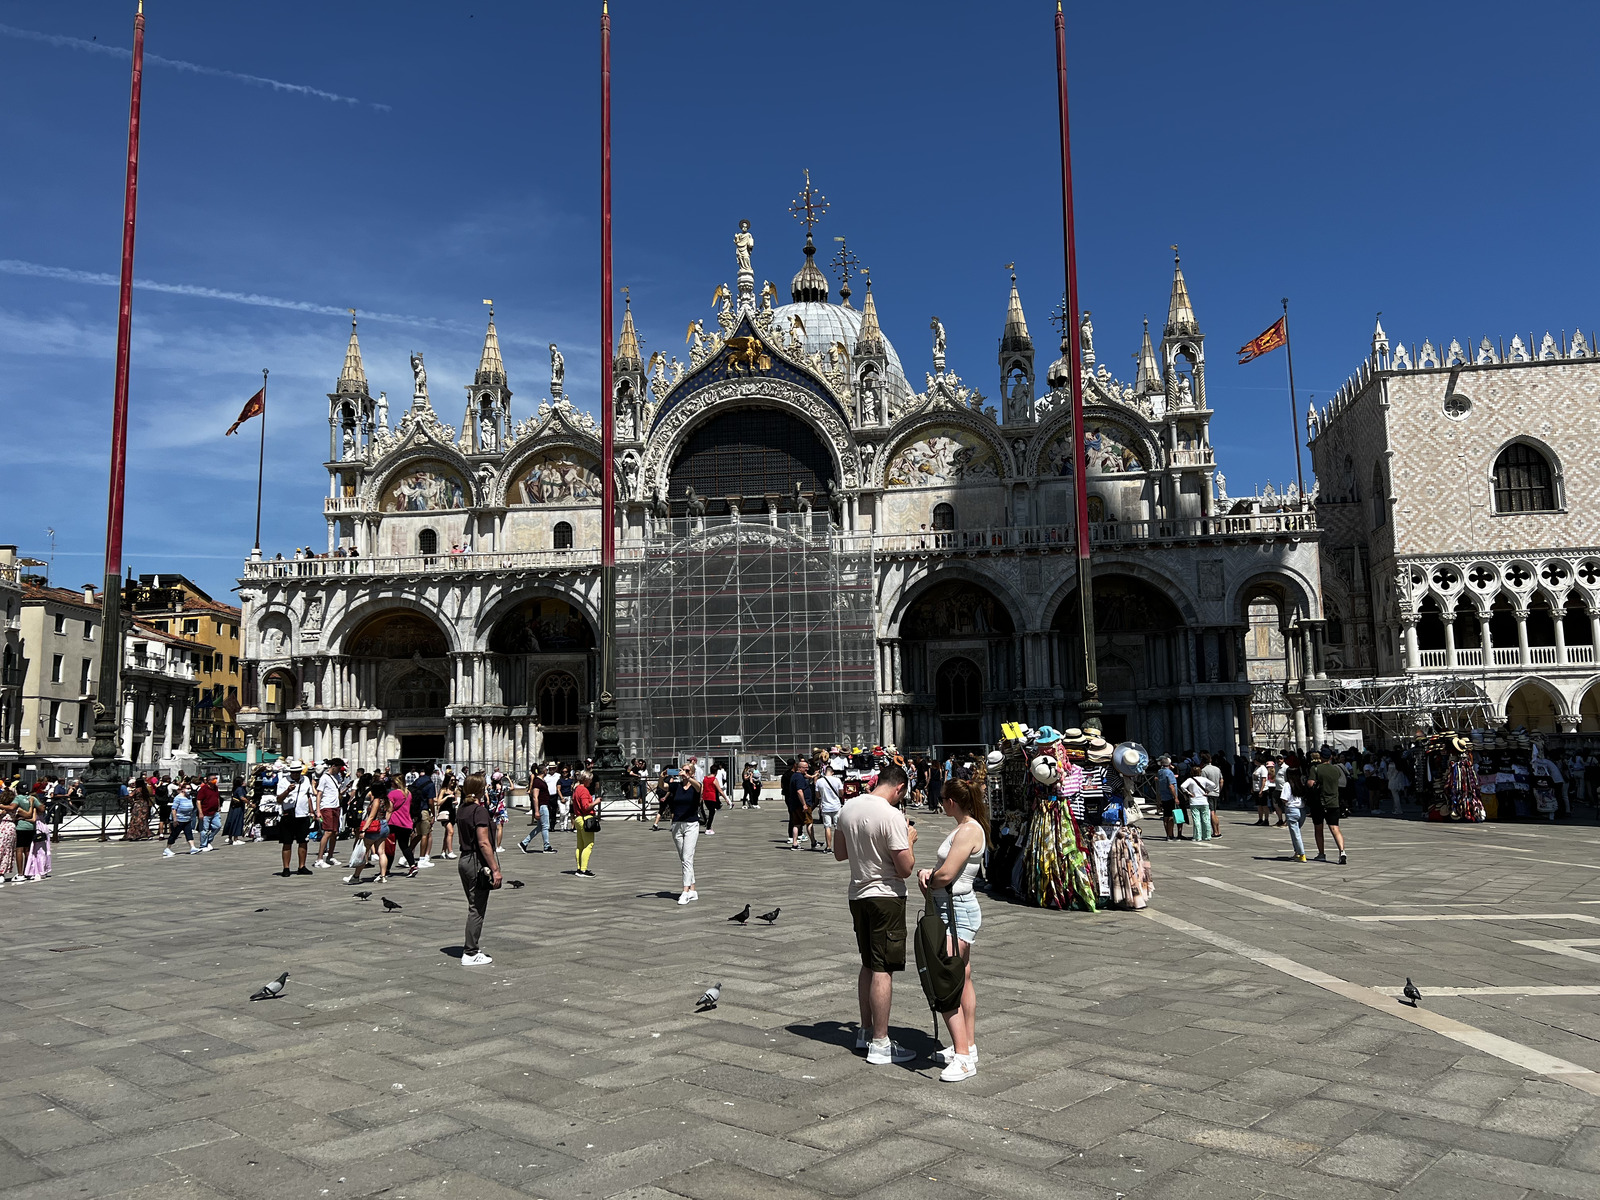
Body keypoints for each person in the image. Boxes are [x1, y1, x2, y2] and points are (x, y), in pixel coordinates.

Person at [836, 761, 917, 1066]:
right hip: (886, 896)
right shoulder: (892, 815)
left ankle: (865, 1031)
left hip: (857, 894)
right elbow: (905, 868)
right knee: (883, 967)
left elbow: (840, 853)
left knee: (868, 963)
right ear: (899, 788)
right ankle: (881, 1043)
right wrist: (908, 841)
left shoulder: (848, 808)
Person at [917, 777, 988, 1081]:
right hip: (953, 907)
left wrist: (925, 874)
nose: (940, 802)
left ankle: (963, 1057)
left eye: (943, 798)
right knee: (964, 976)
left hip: (957, 908)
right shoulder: (965, 827)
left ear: (951, 801)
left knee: (945, 979)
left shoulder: (970, 829)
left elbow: (946, 874)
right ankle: (967, 1046)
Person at [456, 773, 501, 966]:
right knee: (477, 909)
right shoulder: (479, 811)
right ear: (480, 790)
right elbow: (483, 842)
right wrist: (495, 869)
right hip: (476, 861)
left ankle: (471, 948)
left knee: (474, 905)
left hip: (464, 860)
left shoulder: (462, 809)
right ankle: (470, 952)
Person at [664, 766, 702, 903]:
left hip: (691, 824)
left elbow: (699, 787)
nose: (683, 773)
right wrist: (662, 776)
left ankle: (685, 892)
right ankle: (693, 890)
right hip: (676, 825)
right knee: (685, 859)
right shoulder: (676, 786)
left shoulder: (695, 786)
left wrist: (689, 778)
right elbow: (663, 786)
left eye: (687, 771)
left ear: (692, 773)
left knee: (686, 858)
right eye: (682, 770)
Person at [348, 778, 394, 885]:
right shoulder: (387, 800)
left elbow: (371, 817)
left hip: (374, 827)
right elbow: (389, 812)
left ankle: (356, 875)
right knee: (381, 852)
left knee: (364, 852)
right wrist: (384, 823)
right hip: (384, 826)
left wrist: (363, 830)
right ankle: (383, 876)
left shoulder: (376, 801)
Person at [1308, 751, 1348, 864]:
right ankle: (1342, 851)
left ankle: (1321, 853)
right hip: (1334, 802)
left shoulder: (1315, 769)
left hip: (1319, 802)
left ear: (1321, 757)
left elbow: (1310, 783)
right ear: (1331, 757)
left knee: (1319, 829)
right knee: (1335, 828)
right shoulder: (1336, 769)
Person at [278, 761, 316, 877]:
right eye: (293, 772)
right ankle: (286, 868)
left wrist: (312, 811)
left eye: (297, 772)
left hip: (303, 815)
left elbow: (308, 796)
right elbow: (279, 799)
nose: (295, 774)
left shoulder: (305, 780)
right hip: (288, 815)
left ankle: (302, 866)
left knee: (303, 841)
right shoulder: (284, 781)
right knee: (287, 842)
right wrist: (288, 790)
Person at [313, 763, 342, 868]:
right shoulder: (324, 777)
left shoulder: (337, 777)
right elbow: (319, 794)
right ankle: (319, 859)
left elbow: (338, 792)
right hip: (326, 806)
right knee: (328, 831)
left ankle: (330, 856)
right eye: (338, 768)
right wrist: (318, 810)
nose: (339, 771)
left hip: (336, 806)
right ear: (333, 766)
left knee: (335, 832)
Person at [813, 761, 844, 853]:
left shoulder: (819, 781)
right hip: (836, 806)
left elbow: (818, 796)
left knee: (827, 827)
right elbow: (841, 794)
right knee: (838, 828)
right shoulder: (837, 780)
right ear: (832, 772)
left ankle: (829, 847)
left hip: (825, 806)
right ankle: (840, 848)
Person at [572, 770, 598, 876]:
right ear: (586, 780)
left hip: (578, 818)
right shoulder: (583, 790)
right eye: (590, 780)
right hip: (585, 818)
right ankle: (583, 869)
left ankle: (579, 868)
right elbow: (585, 806)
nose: (591, 782)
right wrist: (595, 802)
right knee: (589, 844)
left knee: (580, 846)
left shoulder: (576, 789)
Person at [1180, 764, 1215, 843]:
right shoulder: (1204, 779)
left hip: (1194, 801)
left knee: (1196, 820)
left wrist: (1189, 793)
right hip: (1204, 801)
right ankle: (1207, 835)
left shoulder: (1190, 780)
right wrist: (1208, 791)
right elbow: (1213, 785)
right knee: (1206, 819)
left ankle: (1197, 836)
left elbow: (1182, 786)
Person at [164, 781, 199, 857]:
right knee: (174, 834)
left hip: (187, 819)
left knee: (189, 833)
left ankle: (192, 847)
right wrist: (175, 819)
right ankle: (167, 849)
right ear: (183, 789)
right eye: (188, 788)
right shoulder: (178, 798)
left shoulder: (189, 797)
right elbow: (174, 809)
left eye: (190, 788)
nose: (189, 790)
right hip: (179, 819)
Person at [786, 757, 813, 851]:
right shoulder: (799, 777)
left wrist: (811, 776)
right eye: (805, 768)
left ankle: (794, 843)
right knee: (809, 823)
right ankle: (813, 842)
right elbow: (799, 791)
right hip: (801, 805)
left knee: (796, 824)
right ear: (799, 768)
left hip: (794, 804)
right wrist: (804, 804)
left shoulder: (794, 776)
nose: (807, 769)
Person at [1155, 755, 1183, 841]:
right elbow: (1171, 786)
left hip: (1163, 795)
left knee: (1166, 816)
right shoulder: (1169, 773)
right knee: (1171, 816)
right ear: (1169, 764)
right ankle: (1170, 835)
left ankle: (1168, 834)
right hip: (1170, 796)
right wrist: (1175, 797)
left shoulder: (1160, 772)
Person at [1284, 767, 1307, 862]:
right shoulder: (1301, 783)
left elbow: (1284, 798)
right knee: (1296, 832)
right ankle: (1297, 852)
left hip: (1291, 809)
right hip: (1302, 810)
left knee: (1295, 834)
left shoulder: (1287, 784)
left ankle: (1302, 854)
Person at [194, 775, 223, 851]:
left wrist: (219, 806)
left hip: (214, 812)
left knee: (218, 826)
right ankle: (203, 845)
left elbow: (217, 797)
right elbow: (198, 801)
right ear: (209, 781)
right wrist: (200, 812)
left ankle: (208, 840)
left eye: (216, 779)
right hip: (205, 812)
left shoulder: (215, 788)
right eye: (213, 779)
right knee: (204, 830)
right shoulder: (203, 789)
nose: (215, 780)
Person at [1199, 753, 1223, 839]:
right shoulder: (1217, 769)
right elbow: (1221, 780)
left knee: (1211, 812)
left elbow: (1202, 782)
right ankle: (1218, 830)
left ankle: (1215, 832)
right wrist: (1219, 790)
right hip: (1216, 792)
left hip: (1208, 793)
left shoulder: (1204, 770)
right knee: (1214, 812)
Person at [126, 777, 154, 842]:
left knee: (136, 820)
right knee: (144, 820)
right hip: (144, 805)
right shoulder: (145, 789)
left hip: (138, 806)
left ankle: (135, 835)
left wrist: (132, 802)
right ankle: (146, 834)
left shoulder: (137, 790)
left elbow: (130, 796)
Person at [223, 776, 248, 845]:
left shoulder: (236, 788)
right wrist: (249, 803)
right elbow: (242, 798)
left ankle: (230, 837)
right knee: (237, 821)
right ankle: (235, 839)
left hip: (233, 807)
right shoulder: (240, 789)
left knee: (232, 821)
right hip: (238, 808)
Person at [700, 764, 723, 835]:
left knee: (711, 811)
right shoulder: (714, 780)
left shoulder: (705, 778)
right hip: (711, 797)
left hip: (705, 797)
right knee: (712, 812)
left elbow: (702, 788)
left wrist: (701, 796)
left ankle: (708, 826)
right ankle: (708, 827)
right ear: (716, 772)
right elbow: (720, 790)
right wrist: (727, 800)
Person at [1252, 754, 1273, 825]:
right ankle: (1260, 818)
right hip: (1256, 789)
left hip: (1262, 789)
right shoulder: (1257, 768)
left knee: (1264, 805)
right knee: (1259, 805)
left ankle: (1266, 819)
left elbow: (1263, 780)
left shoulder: (1263, 769)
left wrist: (1261, 790)